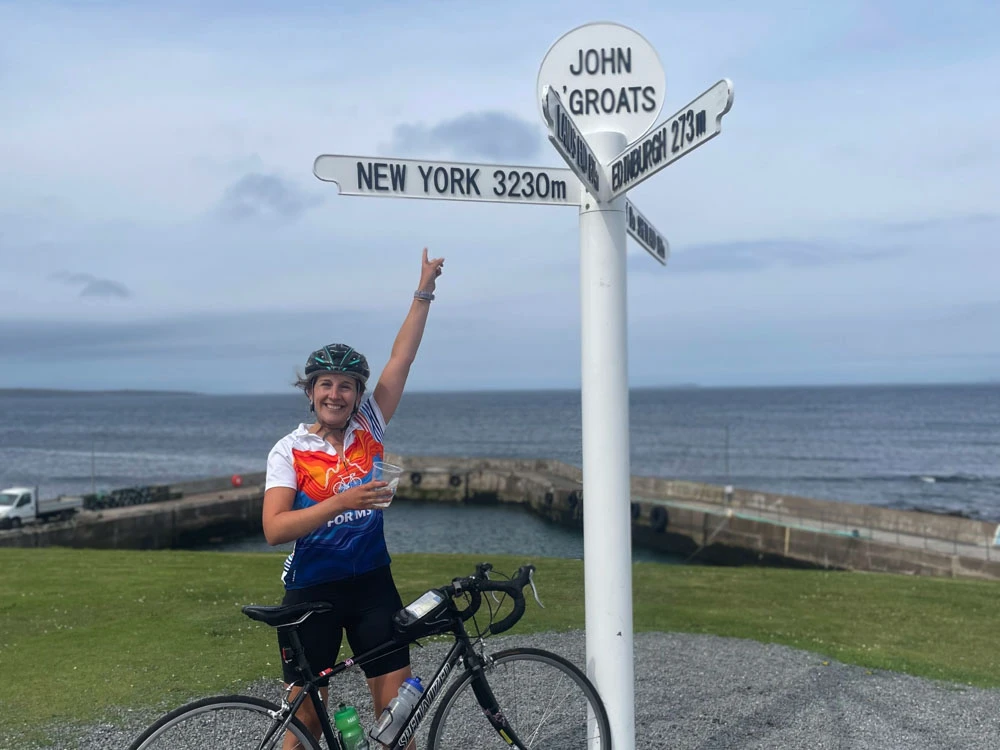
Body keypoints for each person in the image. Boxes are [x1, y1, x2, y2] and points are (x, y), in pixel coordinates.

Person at [262, 247, 444, 749]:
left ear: (358, 393)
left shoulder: (371, 424)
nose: (336, 394)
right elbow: (275, 529)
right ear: (311, 391)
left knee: (396, 719)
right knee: (306, 726)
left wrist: (424, 289)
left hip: (372, 587)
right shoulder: (291, 449)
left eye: (346, 386)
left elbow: (401, 358)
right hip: (311, 593)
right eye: (326, 385)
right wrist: (340, 503)